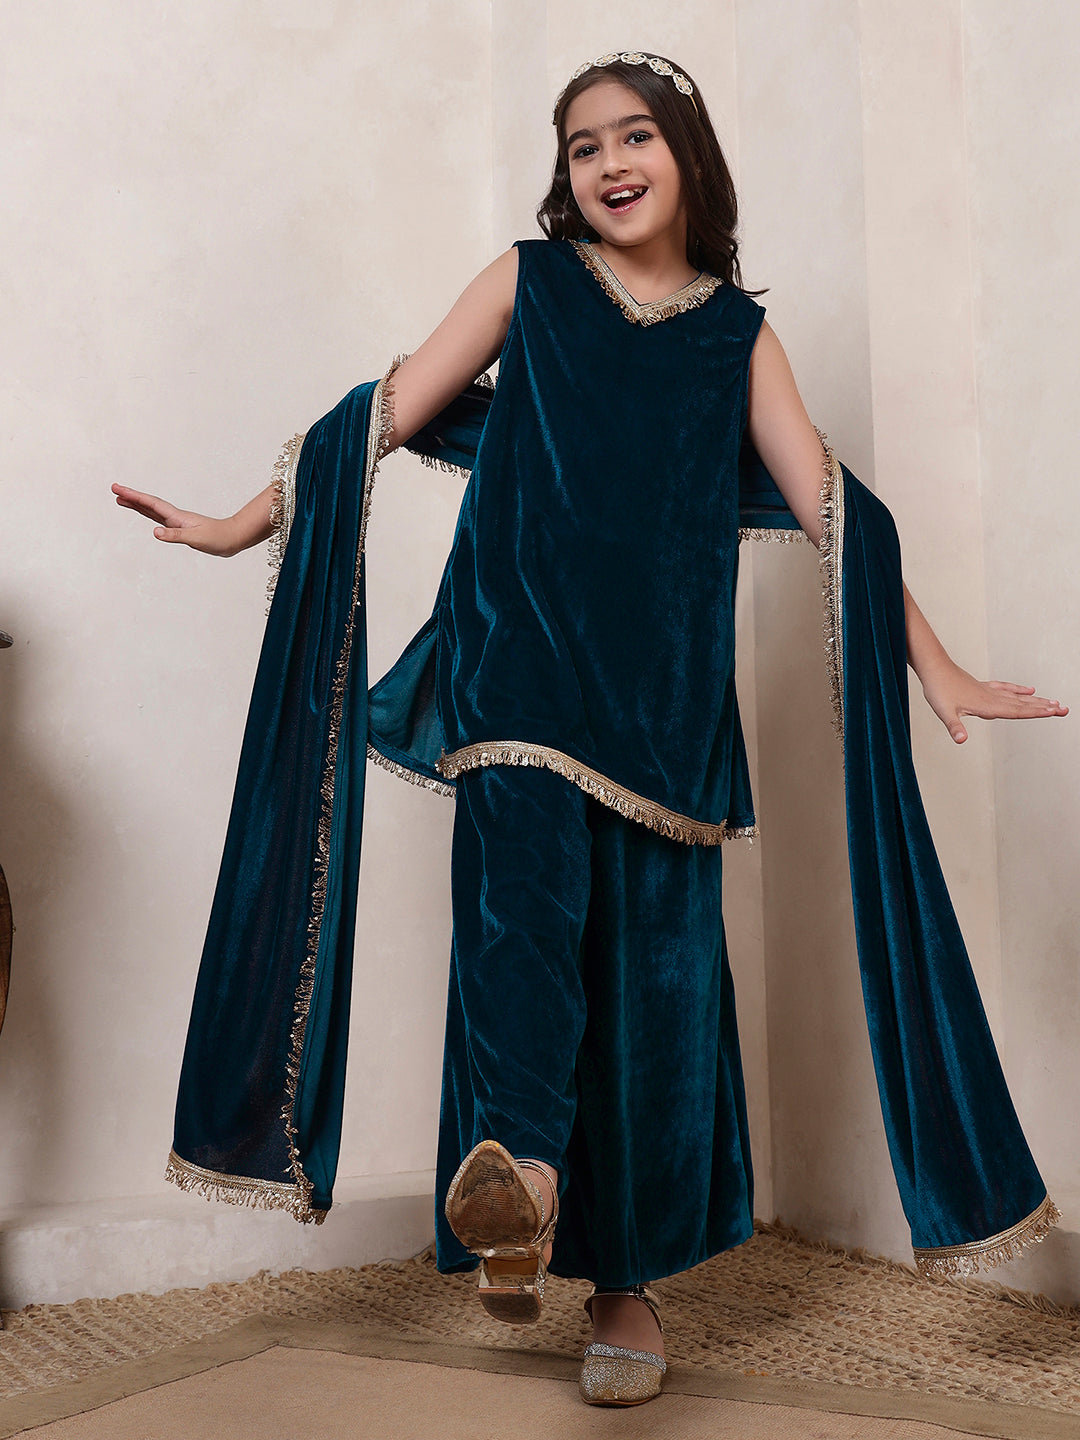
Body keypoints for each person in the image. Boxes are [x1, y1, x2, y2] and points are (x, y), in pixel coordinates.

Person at [114, 52, 1067, 1409]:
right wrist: (239, 524)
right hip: (515, 676)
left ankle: (622, 1285)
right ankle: (523, 1175)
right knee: (519, 928)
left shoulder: (735, 338)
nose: (611, 162)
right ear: (564, 179)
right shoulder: (530, 283)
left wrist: (940, 667)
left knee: (650, 1000)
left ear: (688, 155)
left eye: (636, 136)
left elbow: (834, 509)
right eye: (583, 146)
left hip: (664, 720)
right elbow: (378, 415)